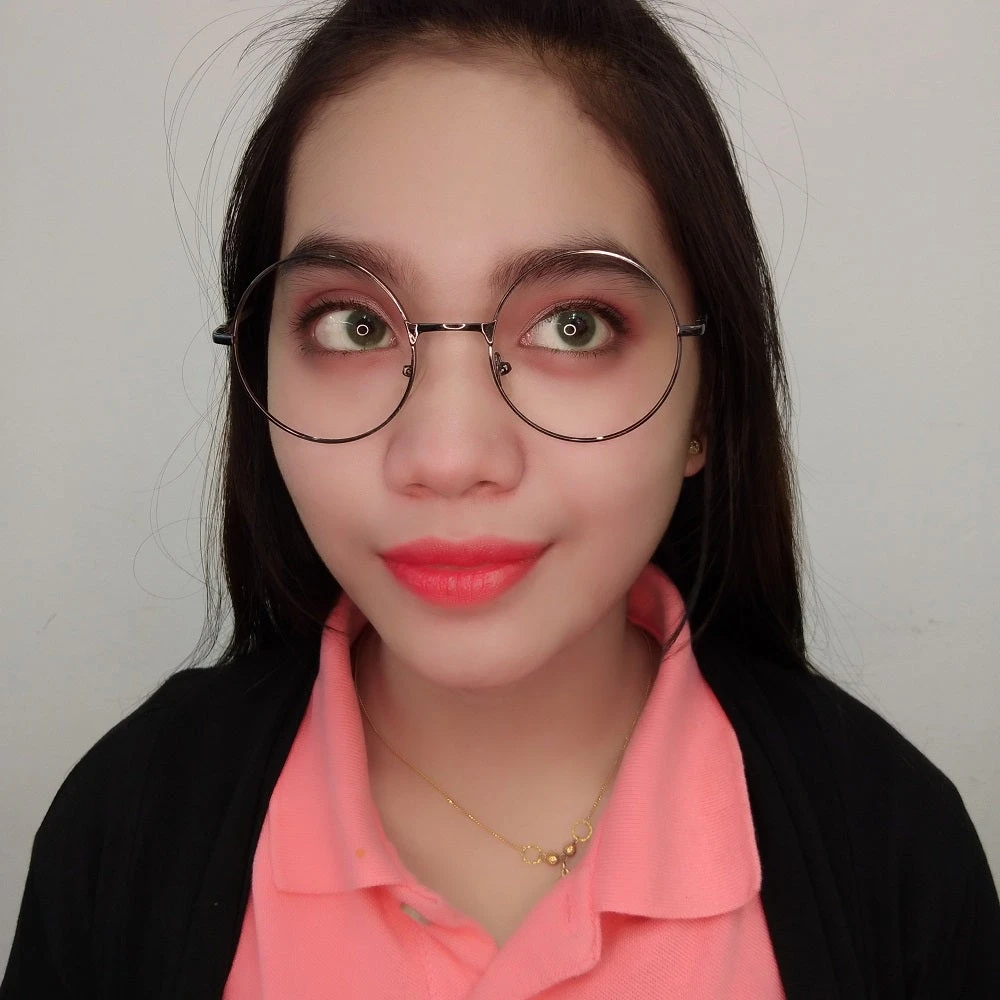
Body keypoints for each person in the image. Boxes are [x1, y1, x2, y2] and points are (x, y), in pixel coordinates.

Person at [2, 0, 998, 996]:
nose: (445, 456)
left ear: (706, 399)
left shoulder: (892, 850)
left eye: (573, 325)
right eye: (352, 324)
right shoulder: (126, 826)